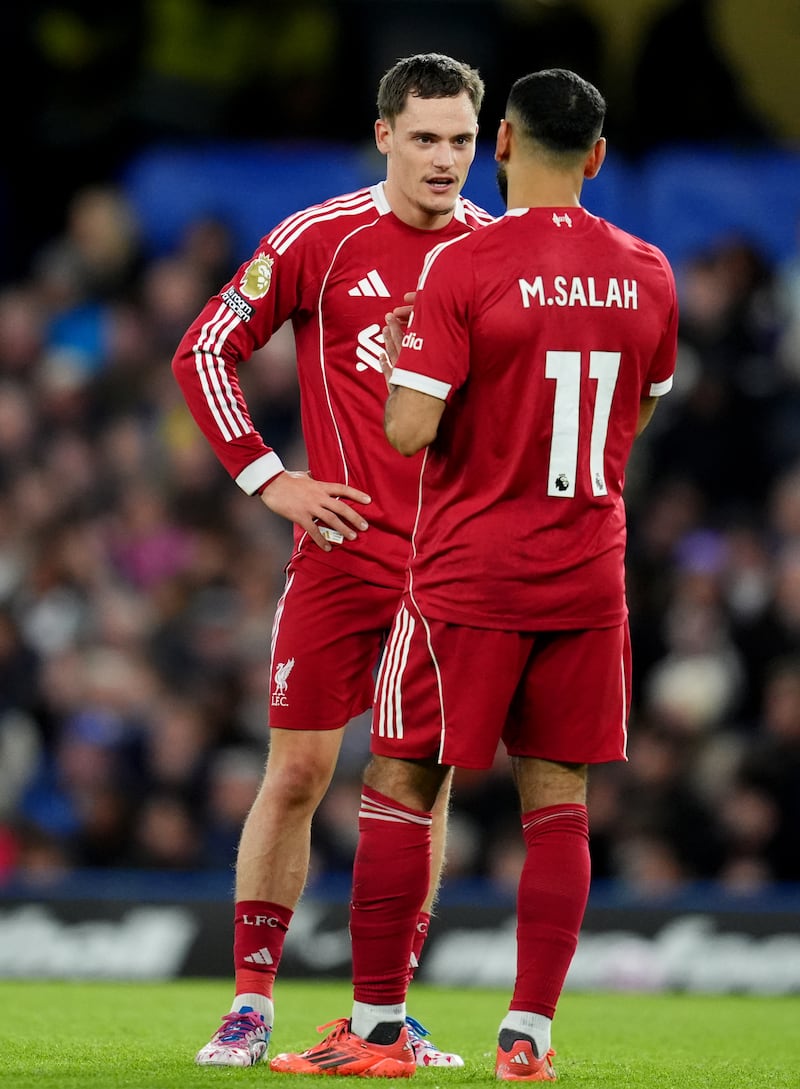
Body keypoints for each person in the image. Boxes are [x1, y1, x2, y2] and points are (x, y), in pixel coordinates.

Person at [270, 68, 679, 1080]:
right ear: (596, 156)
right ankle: (527, 1038)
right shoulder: (649, 271)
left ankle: (375, 1034)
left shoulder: (466, 262)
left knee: (402, 778)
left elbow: (408, 430)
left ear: (498, 143)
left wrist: (409, 364)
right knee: (559, 803)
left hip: (468, 575)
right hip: (588, 575)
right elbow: (635, 413)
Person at [171, 53, 495, 1067]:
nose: (445, 158)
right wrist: (271, 479)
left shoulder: (492, 252)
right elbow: (204, 348)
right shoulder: (320, 237)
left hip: (446, 570)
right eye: (426, 137)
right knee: (299, 772)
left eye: (461, 140)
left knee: (417, 788)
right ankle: (250, 1003)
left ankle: (385, 1016)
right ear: (384, 135)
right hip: (341, 557)